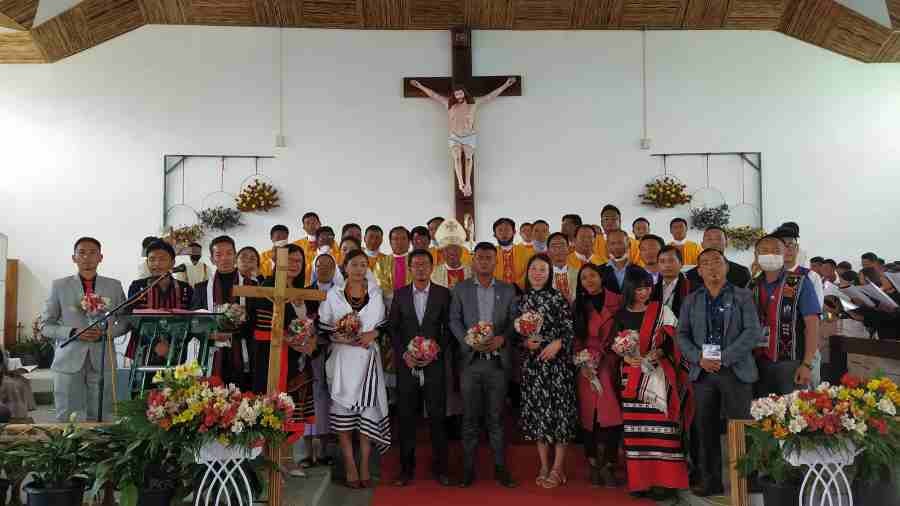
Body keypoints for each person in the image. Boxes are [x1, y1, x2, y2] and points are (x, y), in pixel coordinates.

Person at [677, 249, 761, 497]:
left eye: (717, 262)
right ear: (699, 271)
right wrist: (698, 358)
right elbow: (682, 335)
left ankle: (747, 480)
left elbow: (752, 332)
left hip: (736, 370)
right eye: (705, 263)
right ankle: (709, 480)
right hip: (703, 373)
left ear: (726, 267)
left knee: (741, 426)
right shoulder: (692, 299)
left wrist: (724, 358)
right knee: (705, 427)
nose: (712, 267)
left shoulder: (743, 296)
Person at [612, 266, 692, 500]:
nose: (643, 293)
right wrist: (624, 355)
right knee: (637, 432)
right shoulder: (620, 315)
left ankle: (667, 482)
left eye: (647, 288)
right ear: (629, 289)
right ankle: (641, 482)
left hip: (657, 375)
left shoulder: (662, 311)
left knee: (664, 430)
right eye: (638, 289)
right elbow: (614, 344)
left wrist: (660, 352)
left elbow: (675, 340)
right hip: (632, 376)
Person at [319, 250, 391, 489]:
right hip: (342, 360)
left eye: (363, 264)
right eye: (354, 264)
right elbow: (323, 327)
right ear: (345, 267)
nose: (359, 269)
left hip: (367, 359)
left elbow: (383, 325)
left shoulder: (376, 292)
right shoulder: (334, 294)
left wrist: (374, 333)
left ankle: (364, 465)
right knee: (343, 416)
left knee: (367, 414)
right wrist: (338, 336)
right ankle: (350, 465)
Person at [449, 242, 518, 488]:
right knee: (469, 418)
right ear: (473, 261)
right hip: (470, 362)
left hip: (497, 363)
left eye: (489, 258)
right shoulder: (461, 289)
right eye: (480, 258)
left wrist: (502, 338)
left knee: (496, 417)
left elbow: (514, 321)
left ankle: (500, 468)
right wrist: (468, 341)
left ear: (496, 261)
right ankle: (468, 470)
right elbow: (454, 320)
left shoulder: (508, 290)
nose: (485, 261)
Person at [246, 244, 318, 477]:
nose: (294, 265)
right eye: (290, 260)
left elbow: (309, 323)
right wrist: (290, 338)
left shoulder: (303, 291)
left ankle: (286, 457)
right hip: (269, 356)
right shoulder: (266, 287)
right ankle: (269, 462)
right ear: (278, 262)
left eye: (298, 261)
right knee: (269, 406)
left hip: (297, 359)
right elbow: (262, 322)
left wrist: (308, 341)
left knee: (291, 407)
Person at [42, 237, 129, 421]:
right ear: (74, 258)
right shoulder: (59, 286)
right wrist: (71, 333)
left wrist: (107, 334)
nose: (87, 257)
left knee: (103, 413)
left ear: (101, 257)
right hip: (68, 359)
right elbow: (46, 326)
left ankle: (101, 449)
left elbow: (124, 320)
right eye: (81, 252)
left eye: (92, 253)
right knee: (67, 415)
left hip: (103, 357)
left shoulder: (113, 286)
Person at [389, 250, 454, 487]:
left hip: (434, 366)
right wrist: (404, 354)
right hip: (407, 367)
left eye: (424, 264)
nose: (420, 268)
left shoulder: (443, 294)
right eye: (415, 265)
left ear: (432, 266)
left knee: (437, 417)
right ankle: (406, 469)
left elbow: (450, 329)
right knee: (406, 418)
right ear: (409, 267)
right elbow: (393, 330)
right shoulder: (400, 295)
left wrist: (435, 351)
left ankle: (442, 469)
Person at [516, 254, 578, 489]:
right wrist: (524, 344)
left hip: (557, 366)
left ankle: (558, 467)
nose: (538, 273)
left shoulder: (558, 297)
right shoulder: (520, 301)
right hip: (533, 368)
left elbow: (571, 330)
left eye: (543, 269)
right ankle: (543, 465)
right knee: (539, 416)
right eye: (534, 268)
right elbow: (514, 337)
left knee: (559, 415)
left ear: (549, 273)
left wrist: (559, 343)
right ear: (528, 271)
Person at [410, 77, 517, 197]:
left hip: (469, 136)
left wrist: (506, 85)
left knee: (468, 159)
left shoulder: (473, 104)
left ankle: (468, 183)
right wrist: (419, 86)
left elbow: (490, 96)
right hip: (454, 136)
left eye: (460, 92)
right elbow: (434, 95)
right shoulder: (448, 104)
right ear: (454, 95)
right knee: (456, 158)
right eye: (456, 93)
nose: (458, 95)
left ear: (464, 93)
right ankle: (461, 184)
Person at [572, 263, 623, 487]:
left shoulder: (618, 301)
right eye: (584, 278)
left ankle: (610, 463)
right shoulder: (578, 305)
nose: (589, 280)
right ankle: (593, 463)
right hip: (587, 365)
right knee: (589, 417)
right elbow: (575, 339)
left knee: (612, 416)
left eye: (592, 275)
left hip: (612, 363)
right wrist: (581, 361)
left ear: (601, 277)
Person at [750, 235, 821, 396]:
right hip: (758, 362)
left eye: (776, 251)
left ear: (785, 254)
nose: (770, 254)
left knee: (791, 414)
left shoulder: (800, 282)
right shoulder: (752, 285)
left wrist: (807, 364)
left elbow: (812, 324)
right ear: (756, 255)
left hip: (791, 362)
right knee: (762, 414)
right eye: (764, 251)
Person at [190, 235, 257, 389]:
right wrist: (209, 333)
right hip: (212, 353)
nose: (225, 258)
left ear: (235, 255)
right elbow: (193, 322)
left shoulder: (252, 286)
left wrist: (244, 318)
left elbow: (258, 319)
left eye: (229, 253)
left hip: (244, 352)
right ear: (212, 259)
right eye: (219, 255)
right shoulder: (201, 289)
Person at [125, 240, 194, 364]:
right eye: (152, 259)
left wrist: (173, 343)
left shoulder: (185, 288)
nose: (156, 264)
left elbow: (193, 319)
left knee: (177, 384)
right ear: (147, 262)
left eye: (162, 259)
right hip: (143, 351)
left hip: (175, 351)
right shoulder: (138, 286)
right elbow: (131, 319)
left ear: (173, 262)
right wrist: (155, 343)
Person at [686, 226, 751, 290]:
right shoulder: (691, 276)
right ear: (702, 244)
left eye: (718, 239)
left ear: (726, 243)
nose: (714, 242)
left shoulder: (742, 273)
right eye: (709, 239)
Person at [373, 226, 413, 304]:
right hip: (390, 304)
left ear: (409, 242)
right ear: (390, 242)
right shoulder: (381, 263)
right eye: (396, 239)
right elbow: (381, 285)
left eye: (403, 238)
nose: (399, 242)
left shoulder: (417, 261)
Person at [431, 218, 472, 289]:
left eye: (455, 248)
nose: (452, 252)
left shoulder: (471, 272)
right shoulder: (434, 274)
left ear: (461, 251)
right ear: (442, 252)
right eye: (447, 249)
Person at [493, 217, 532, 289]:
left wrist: (516, 287)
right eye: (500, 230)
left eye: (507, 230)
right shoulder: (490, 253)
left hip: (520, 292)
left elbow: (529, 272)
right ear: (495, 234)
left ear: (514, 232)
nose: (504, 233)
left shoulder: (526, 252)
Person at [656, 246, 692, 316]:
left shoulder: (692, 288)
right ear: (657, 265)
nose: (667, 265)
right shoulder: (652, 289)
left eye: (671, 261)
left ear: (681, 264)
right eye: (662, 261)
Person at [548, 232, 578, 302]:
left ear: (568, 249)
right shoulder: (542, 275)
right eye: (554, 246)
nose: (558, 249)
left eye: (562, 245)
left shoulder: (579, 273)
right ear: (548, 251)